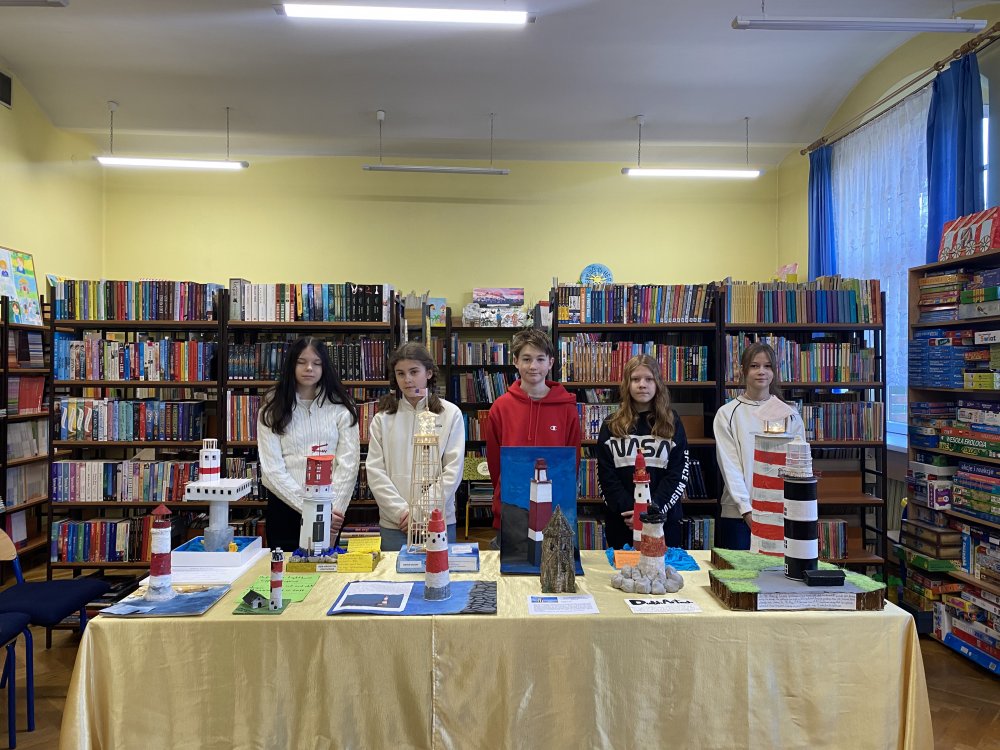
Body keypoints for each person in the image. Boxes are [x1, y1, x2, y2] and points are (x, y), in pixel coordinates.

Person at [257, 336, 361, 552]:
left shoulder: (341, 406)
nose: (309, 368)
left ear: (325, 367)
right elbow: (271, 470)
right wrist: (309, 508)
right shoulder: (272, 407)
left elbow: (349, 464)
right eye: (301, 362)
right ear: (291, 365)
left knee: (325, 568)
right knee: (286, 570)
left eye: (316, 363)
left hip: (330, 512)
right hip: (285, 508)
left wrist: (332, 510)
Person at [366, 342, 465, 550]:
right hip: (396, 523)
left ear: (428, 373)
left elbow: (453, 471)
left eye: (414, 372)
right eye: (400, 374)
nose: (407, 380)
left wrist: (420, 512)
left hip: (438, 520)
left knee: (440, 570)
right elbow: (375, 471)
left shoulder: (450, 414)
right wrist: (402, 513)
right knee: (394, 571)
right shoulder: (382, 419)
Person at [485, 328, 581, 532]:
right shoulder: (501, 407)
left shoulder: (567, 408)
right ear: (515, 361)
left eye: (540, 359)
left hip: (555, 509)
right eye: (526, 359)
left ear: (551, 362)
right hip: (511, 509)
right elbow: (495, 462)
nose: (533, 366)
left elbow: (573, 461)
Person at [714, 341, 805, 550]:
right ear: (743, 370)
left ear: (774, 372)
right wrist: (747, 510)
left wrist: (791, 507)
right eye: (754, 366)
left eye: (767, 366)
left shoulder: (790, 414)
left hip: (781, 513)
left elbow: (798, 467)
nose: (761, 371)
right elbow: (730, 467)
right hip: (738, 516)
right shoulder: (727, 414)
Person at [596, 354, 690, 549]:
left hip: (663, 523)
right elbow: (605, 475)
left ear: (658, 384)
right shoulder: (611, 425)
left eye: (649, 379)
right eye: (635, 379)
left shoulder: (672, 423)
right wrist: (633, 512)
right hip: (623, 523)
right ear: (627, 384)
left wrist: (652, 512)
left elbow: (678, 472)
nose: (642, 385)